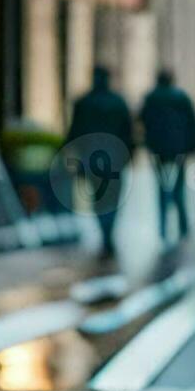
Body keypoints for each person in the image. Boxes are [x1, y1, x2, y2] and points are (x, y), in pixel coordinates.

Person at [65, 67, 134, 258]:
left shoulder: (83, 102)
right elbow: (128, 133)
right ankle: (108, 234)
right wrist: (128, 156)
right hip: (114, 159)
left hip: (91, 159)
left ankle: (106, 235)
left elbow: (74, 132)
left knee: (98, 199)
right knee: (112, 199)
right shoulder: (118, 102)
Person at [140, 69, 195, 244]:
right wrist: (194, 145)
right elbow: (192, 123)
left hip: (158, 150)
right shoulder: (181, 97)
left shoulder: (150, 98)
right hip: (178, 149)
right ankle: (183, 227)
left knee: (161, 189)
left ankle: (163, 229)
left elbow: (143, 122)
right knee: (178, 188)